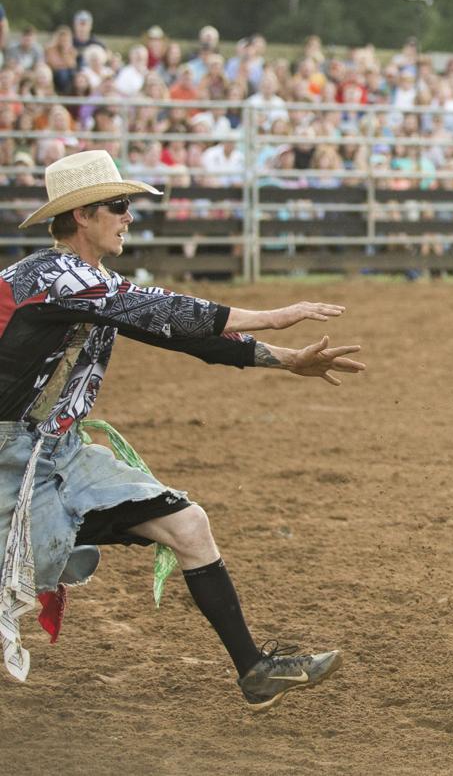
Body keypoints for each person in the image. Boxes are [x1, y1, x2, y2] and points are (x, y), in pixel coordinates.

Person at [0, 150, 364, 708]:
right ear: (82, 216)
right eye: (119, 206)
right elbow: (167, 310)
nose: (128, 217)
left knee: (189, 526)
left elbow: (180, 333)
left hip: (57, 451)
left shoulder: (87, 280)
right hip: (10, 458)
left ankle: (256, 672)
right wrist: (270, 316)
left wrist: (285, 359)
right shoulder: (55, 277)